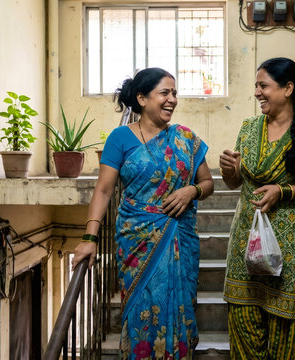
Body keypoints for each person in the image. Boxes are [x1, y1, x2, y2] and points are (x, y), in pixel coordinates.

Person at [71, 67, 214, 360]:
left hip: (180, 238)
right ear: (142, 98)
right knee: (141, 311)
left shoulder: (186, 138)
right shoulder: (120, 138)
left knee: (179, 307)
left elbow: (207, 182)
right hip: (137, 240)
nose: (172, 99)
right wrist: (90, 237)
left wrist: (191, 192)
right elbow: (103, 191)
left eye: (174, 93)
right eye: (165, 92)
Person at [219, 57, 295, 359]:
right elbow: (235, 185)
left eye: (264, 86)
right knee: (243, 323)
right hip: (247, 244)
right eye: (256, 86)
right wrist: (229, 170)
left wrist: (284, 191)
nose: (257, 92)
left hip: (290, 250)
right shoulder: (248, 129)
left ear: (288, 88)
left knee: (285, 333)